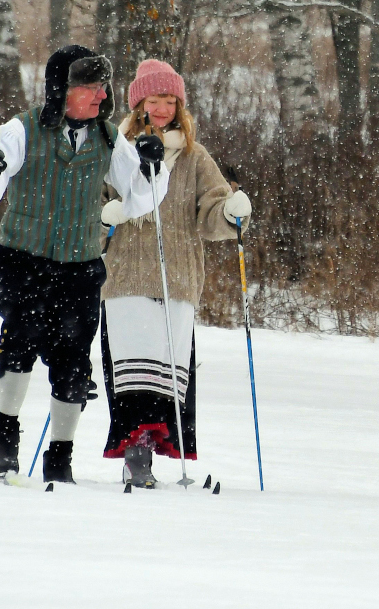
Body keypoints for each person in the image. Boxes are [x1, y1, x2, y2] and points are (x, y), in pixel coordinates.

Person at [0, 45, 170, 483]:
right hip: (25, 260)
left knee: (74, 361)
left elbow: (139, 197)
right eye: (91, 88)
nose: (101, 96)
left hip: (79, 264)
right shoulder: (21, 130)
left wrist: (152, 166)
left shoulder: (108, 138)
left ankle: (60, 456)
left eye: (104, 87)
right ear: (62, 90)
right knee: (18, 344)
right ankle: (5, 436)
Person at [98, 59, 252, 488]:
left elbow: (211, 212)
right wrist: (104, 217)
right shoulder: (117, 152)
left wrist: (231, 212)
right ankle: (136, 454)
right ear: (139, 104)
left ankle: (154, 447)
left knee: (166, 375)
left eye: (170, 100)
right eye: (154, 100)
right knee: (133, 373)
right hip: (126, 275)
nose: (163, 109)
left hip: (178, 277)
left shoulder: (194, 157)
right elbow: (93, 204)